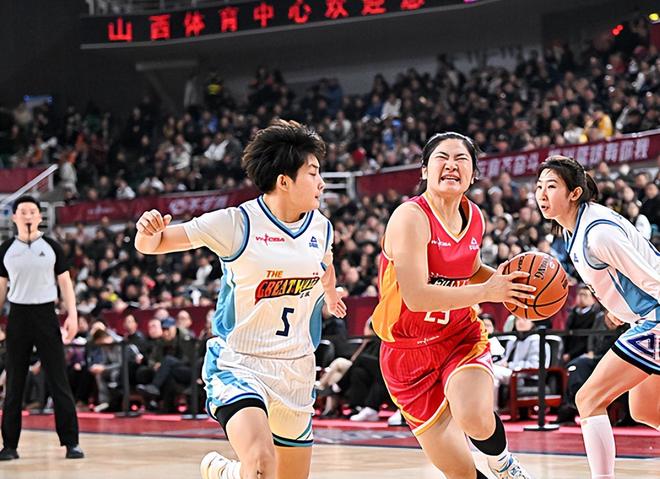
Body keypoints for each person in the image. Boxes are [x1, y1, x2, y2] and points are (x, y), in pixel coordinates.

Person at [134, 120, 346, 479]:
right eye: (313, 173)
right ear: (284, 181)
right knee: (262, 464)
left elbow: (325, 265)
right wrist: (147, 231)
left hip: (296, 369)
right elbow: (154, 244)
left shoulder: (321, 227)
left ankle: (228, 474)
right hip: (241, 363)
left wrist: (329, 293)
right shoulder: (236, 223)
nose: (322, 182)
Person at [371, 132, 536, 479]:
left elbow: (470, 269)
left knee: (474, 415)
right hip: (406, 352)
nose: (451, 165)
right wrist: (488, 291)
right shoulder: (410, 217)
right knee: (460, 472)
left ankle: (504, 463)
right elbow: (417, 296)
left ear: (473, 174)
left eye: (461, 159)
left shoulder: (474, 216)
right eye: (441, 158)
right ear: (424, 170)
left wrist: (511, 286)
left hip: (459, 336)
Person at [535, 155, 659, 479]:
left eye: (551, 186)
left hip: (656, 318)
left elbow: (653, 279)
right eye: (539, 186)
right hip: (644, 318)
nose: (542, 194)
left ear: (574, 193)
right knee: (646, 409)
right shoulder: (574, 229)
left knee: (588, 399)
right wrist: (617, 311)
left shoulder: (597, 234)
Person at [0, 195, 84, 460]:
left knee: (58, 379)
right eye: (23, 211)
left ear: (39, 216)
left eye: (32, 211)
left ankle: (71, 442)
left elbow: (65, 284)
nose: (27, 215)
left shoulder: (51, 247)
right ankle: (9, 445)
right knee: (14, 382)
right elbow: (0, 289)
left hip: (46, 314)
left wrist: (72, 315)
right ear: (14, 217)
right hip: (18, 316)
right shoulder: (5, 249)